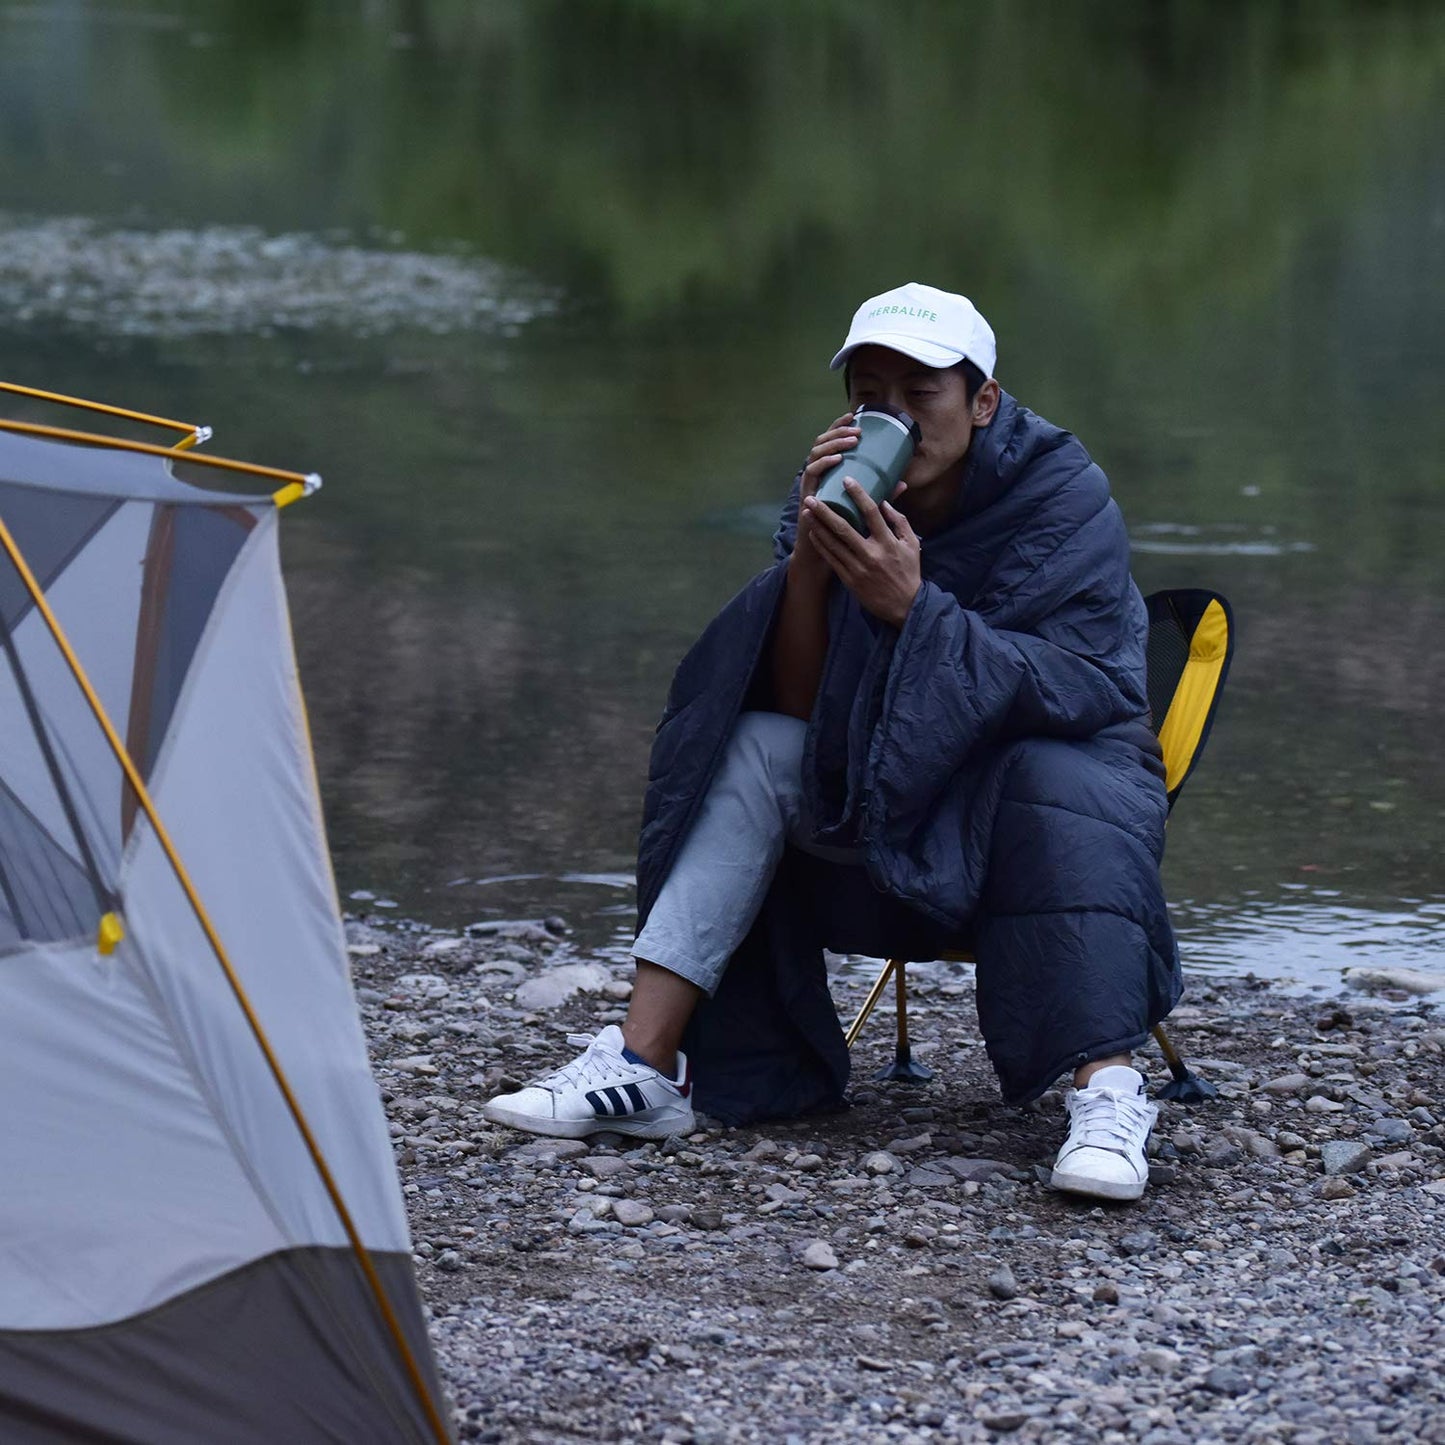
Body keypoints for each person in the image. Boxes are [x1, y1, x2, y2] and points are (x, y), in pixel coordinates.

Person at [485, 282, 1179, 1203]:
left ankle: (1108, 1095)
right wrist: (812, 556)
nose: (889, 417)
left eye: (918, 394)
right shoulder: (841, 488)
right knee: (756, 742)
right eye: (867, 397)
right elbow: (800, 698)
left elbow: (1085, 684)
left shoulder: (1060, 490)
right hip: (884, 788)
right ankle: (645, 1064)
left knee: (1059, 778)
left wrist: (915, 611)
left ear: (982, 400)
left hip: (1028, 791)